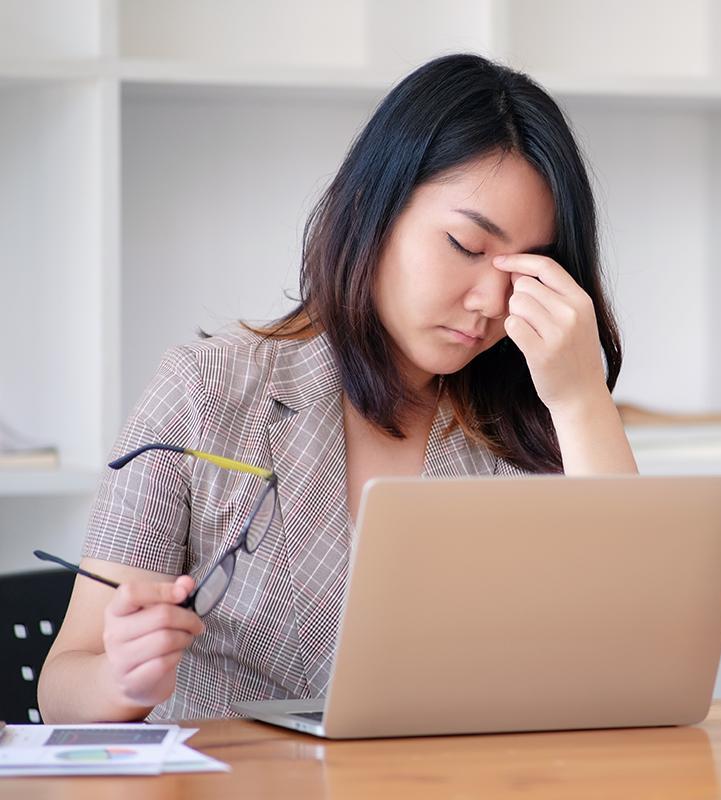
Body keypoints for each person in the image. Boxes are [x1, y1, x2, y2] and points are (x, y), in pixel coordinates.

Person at [38, 54, 637, 723]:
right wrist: (124, 679)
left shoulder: (537, 419)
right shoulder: (206, 392)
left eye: (527, 271)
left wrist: (583, 400)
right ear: (373, 208)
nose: (491, 302)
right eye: (467, 246)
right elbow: (63, 687)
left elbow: (631, 662)